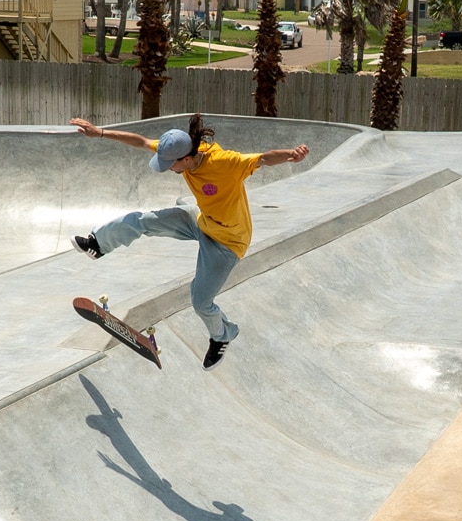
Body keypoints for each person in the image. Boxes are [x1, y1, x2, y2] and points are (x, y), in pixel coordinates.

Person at [67, 113, 308, 368]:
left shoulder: (226, 162)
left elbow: (263, 158)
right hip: (200, 220)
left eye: (172, 164)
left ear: (187, 158)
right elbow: (139, 141)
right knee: (144, 220)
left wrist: (291, 154)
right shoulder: (176, 147)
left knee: (201, 301)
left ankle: (222, 335)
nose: (169, 168)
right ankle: (98, 244)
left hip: (227, 244)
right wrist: (100, 132)